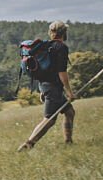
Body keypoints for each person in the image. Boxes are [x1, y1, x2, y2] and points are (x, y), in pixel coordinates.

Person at [17, 21, 75, 151]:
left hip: (46, 86)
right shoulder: (61, 47)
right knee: (49, 119)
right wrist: (69, 92)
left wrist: (42, 91)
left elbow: (43, 70)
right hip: (53, 88)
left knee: (69, 112)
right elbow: (62, 72)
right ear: (64, 33)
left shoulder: (46, 46)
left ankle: (69, 142)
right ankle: (28, 144)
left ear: (51, 32)